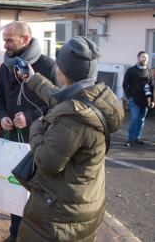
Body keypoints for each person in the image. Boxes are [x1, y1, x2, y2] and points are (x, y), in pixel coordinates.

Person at [16, 36, 124, 242]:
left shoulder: (73, 118)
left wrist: (37, 126)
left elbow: (46, 162)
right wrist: (33, 79)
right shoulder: (94, 97)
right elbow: (59, 97)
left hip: (60, 216)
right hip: (86, 201)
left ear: (62, 72)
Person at [0, 21, 56, 242]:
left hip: (40, 142)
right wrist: (2, 117)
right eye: (5, 39)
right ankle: (15, 234)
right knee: (15, 191)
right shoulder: (5, 66)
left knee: (38, 195)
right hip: (12, 139)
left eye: (10, 40)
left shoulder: (48, 66)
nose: (5, 44)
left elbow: (58, 104)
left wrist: (28, 117)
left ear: (26, 39)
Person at [122, 51, 155, 146]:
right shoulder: (131, 70)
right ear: (138, 58)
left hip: (145, 100)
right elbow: (125, 85)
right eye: (143, 57)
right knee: (135, 117)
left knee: (141, 119)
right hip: (134, 99)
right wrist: (129, 97)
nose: (145, 59)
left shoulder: (149, 71)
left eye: (146, 58)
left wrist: (152, 100)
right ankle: (130, 138)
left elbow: (152, 87)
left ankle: (137, 137)